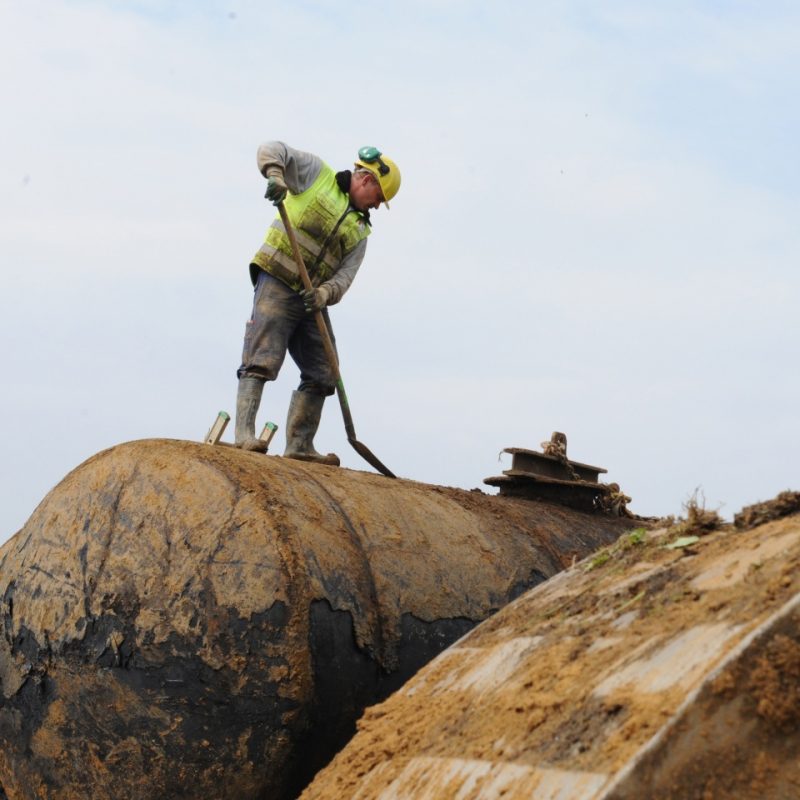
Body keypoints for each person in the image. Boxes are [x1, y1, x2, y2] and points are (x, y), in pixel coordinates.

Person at [235, 141, 401, 465]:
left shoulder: (361, 231)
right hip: (279, 280)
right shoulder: (317, 175)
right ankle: (244, 434)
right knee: (263, 356)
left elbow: (344, 278)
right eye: (380, 198)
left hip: (312, 302)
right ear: (367, 181)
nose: (378, 206)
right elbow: (272, 149)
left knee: (324, 371)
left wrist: (324, 294)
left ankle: (299, 444)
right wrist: (275, 176)